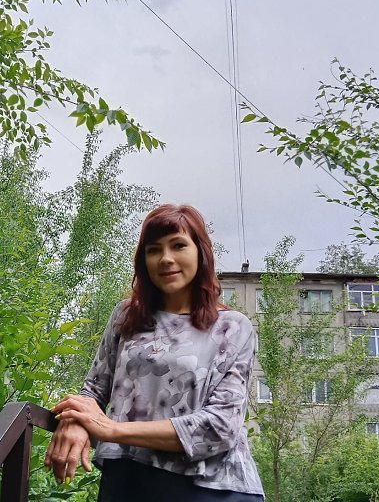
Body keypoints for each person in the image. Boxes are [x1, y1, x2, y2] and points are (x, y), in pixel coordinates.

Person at [45, 204, 265, 501]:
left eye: (178, 245)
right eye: (154, 250)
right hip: (127, 480)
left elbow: (220, 427)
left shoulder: (232, 327)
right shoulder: (126, 317)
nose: (166, 259)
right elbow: (94, 390)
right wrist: (74, 421)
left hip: (210, 488)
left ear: (201, 253)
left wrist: (111, 430)